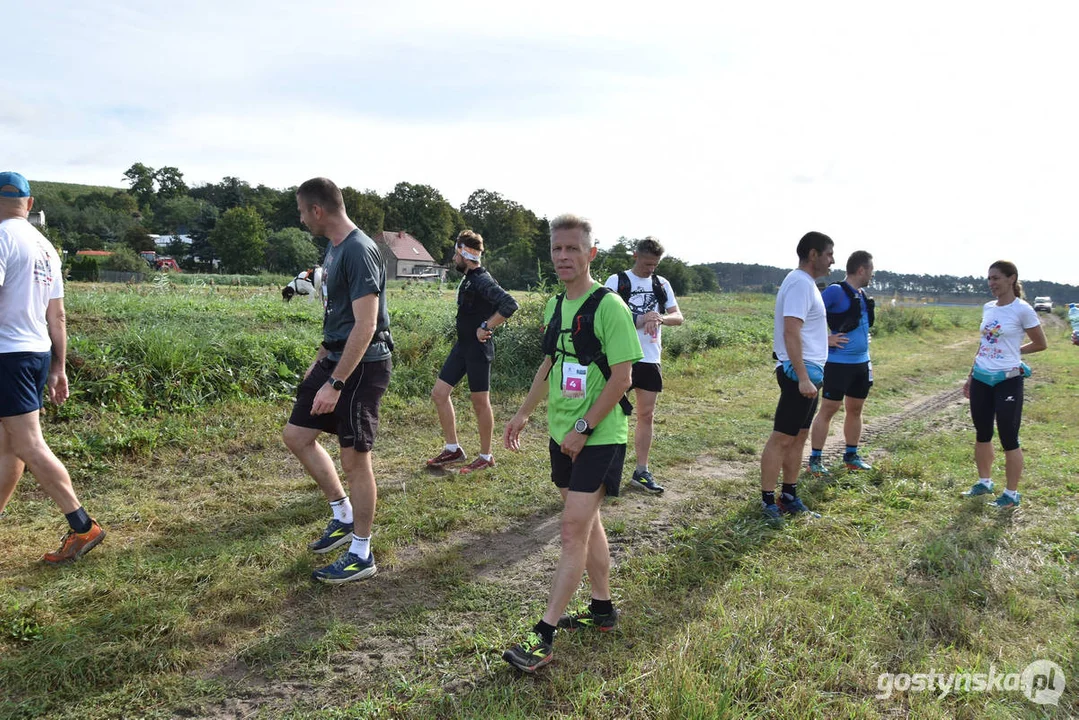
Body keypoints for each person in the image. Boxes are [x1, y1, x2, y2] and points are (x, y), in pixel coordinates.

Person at [501, 214, 642, 673]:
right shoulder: (555, 306)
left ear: (591, 254)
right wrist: (524, 412)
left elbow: (623, 377)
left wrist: (583, 429)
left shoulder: (610, 307)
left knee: (569, 531)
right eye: (556, 249)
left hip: (599, 435)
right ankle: (602, 609)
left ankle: (543, 635)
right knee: (585, 525)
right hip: (563, 433)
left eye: (572, 249)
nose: (563, 256)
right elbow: (549, 364)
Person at [282, 177, 393, 584]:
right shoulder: (333, 249)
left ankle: (362, 553)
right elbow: (340, 318)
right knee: (296, 435)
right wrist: (320, 363)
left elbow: (365, 325)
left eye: (300, 210)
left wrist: (337, 382)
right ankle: (343, 514)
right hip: (334, 356)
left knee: (354, 458)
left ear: (317, 210)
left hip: (362, 366)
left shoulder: (360, 250)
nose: (299, 218)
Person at [0, 171, 106, 562]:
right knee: (9, 446)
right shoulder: (46, 247)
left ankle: (83, 527)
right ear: (28, 205)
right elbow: (57, 316)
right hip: (36, 353)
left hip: (6, 355)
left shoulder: (0, 238)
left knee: (27, 443)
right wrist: (58, 367)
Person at [426, 230, 519, 474]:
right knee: (439, 393)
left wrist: (486, 326)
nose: (453, 259)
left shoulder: (481, 280)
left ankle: (486, 456)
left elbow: (510, 304)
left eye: (455, 254)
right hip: (462, 347)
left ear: (463, 254)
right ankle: (453, 448)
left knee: (480, 403)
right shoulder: (469, 278)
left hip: (478, 349)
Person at [760, 231, 834, 521]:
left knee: (800, 436)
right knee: (782, 437)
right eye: (829, 253)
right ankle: (768, 501)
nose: (832, 260)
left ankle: (789, 495)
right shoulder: (800, 284)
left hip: (809, 373)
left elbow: (804, 330)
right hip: (798, 373)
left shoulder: (807, 285)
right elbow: (791, 330)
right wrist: (802, 376)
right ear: (813, 254)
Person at [961, 261, 1046, 508]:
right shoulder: (988, 308)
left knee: (1009, 437)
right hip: (981, 378)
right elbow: (984, 344)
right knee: (982, 433)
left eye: (996, 278)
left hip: (1007, 379)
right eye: (989, 279)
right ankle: (984, 482)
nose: (991, 283)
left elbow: (1041, 343)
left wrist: (1013, 352)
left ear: (1011, 279)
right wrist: (970, 375)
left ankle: (1011, 495)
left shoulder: (1023, 310)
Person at [604, 236, 683, 494]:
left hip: (650, 357)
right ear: (635, 256)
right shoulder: (616, 281)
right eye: (648, 263)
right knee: (608, 413)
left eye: (655, 264)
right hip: (620, 356)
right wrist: (641, 318)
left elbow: (678, 316)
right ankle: (603, 471)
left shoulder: (662, 284)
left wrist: (659, 318)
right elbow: (606, 318)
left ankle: (641, 471)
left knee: (646, 415)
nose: (651, 269)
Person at [808, 250, 876, 475]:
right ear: (861, 270)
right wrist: (825, 339)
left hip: (861, 364)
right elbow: (808, 315)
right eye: (871, 270)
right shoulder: (836, 291)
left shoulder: (863, 294)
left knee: (855, 409)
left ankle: (851, 455)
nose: (872, 275)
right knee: (829, 409)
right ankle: (815, 460)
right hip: (838, 364)